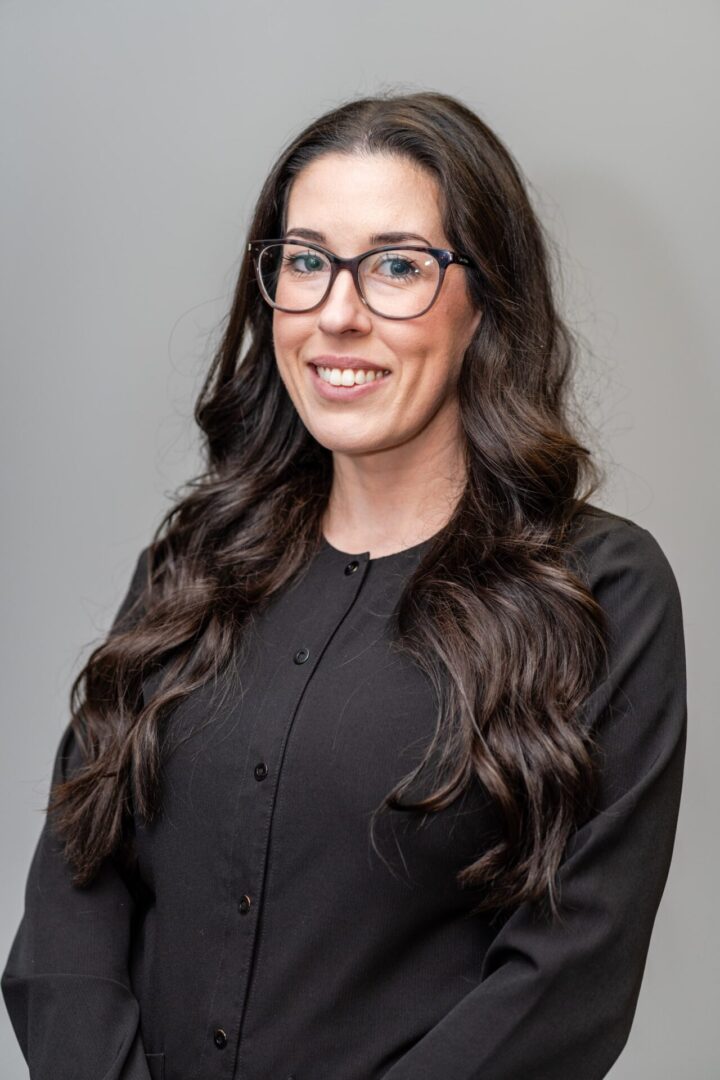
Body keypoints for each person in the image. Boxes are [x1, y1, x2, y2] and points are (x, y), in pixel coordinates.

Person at [1, 91, 687, 1080]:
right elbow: (78, 880)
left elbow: (564, 980)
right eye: (307, 260)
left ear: (487, 299)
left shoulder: (603, 590)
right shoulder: (195, 558)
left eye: (399, 266)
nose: (337, 314)